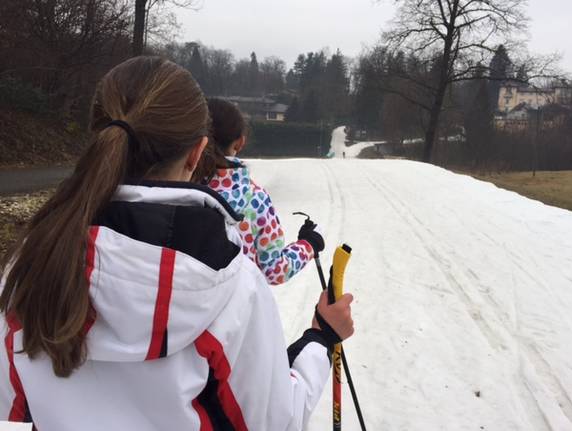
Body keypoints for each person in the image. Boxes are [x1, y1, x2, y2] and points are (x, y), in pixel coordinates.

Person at [0, 57, 354, 431]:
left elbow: (11, 410)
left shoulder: (26, 267)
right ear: (197, 152)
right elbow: (276, 421)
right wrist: (319, 339)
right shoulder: (234, 286)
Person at [200, 98, 324, 285]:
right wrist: (309, 244)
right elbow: (274, 270)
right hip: (238, 309)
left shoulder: (177, 189)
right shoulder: (254, 199)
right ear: (240, 142)